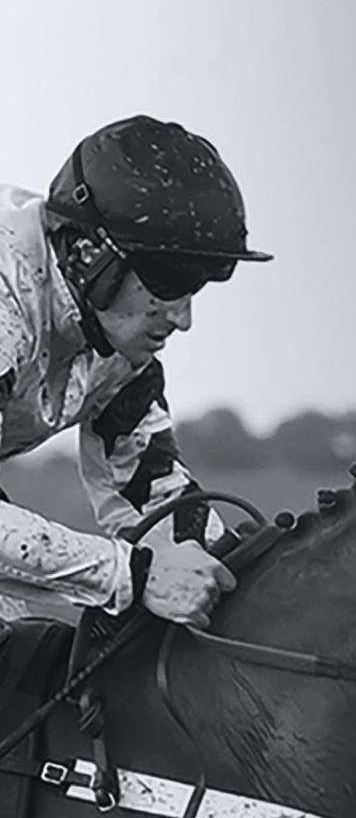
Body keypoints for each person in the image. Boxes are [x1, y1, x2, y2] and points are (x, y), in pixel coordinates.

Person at [0, 115, 272, 626]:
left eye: (196, 286)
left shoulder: (116, 346)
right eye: (169, 280)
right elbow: (144, 574)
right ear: (87, 252)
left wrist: (238, 566)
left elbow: (153, 498)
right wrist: (134, 574)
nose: (183, 318)